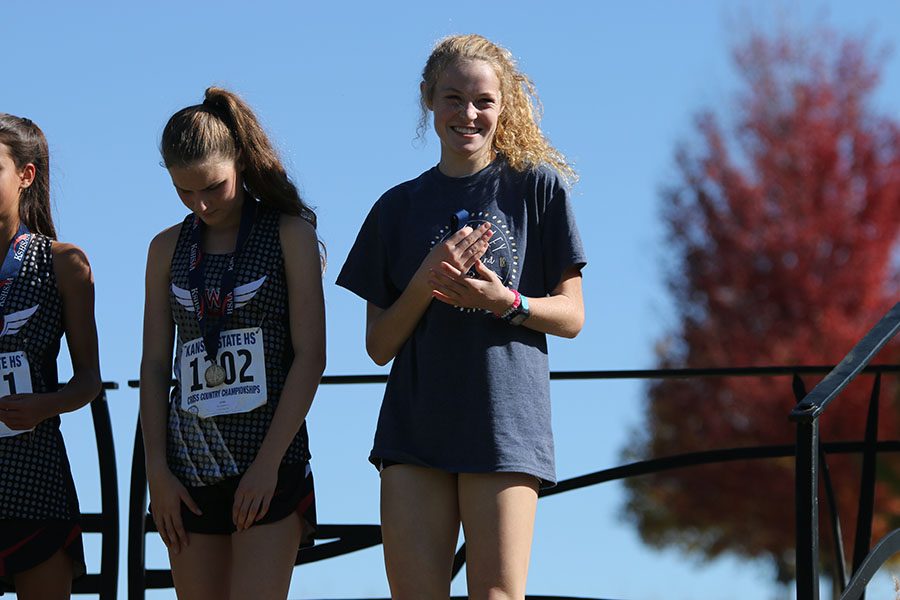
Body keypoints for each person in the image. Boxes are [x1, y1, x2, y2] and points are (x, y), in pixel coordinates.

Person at [337, 34, 587, 599]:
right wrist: (427, 279)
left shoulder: (538, 189)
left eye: (483, 101)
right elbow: (378, 346)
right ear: (428, 99)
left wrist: (508, 304)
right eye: (452, 98)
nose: (467, 114)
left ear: (504, 105)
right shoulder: (396, 207)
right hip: (415, 426)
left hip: (504, 425)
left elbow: (572, 316)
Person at [140, 87, 325, 600]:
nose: (199, 204)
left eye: (213, 188)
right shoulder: (165, 248)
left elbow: (312, 357)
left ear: (239, 161)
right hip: (189, 468)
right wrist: (158, 469)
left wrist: (268, 464)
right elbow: (155, 364)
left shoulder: (290, 234)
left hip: (269, 460)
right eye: (183, 192)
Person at [0, 114, 102, 599]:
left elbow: (89, 381)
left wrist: (44, 405)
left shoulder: (64, 264)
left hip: (34, 479)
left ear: (26, 174)